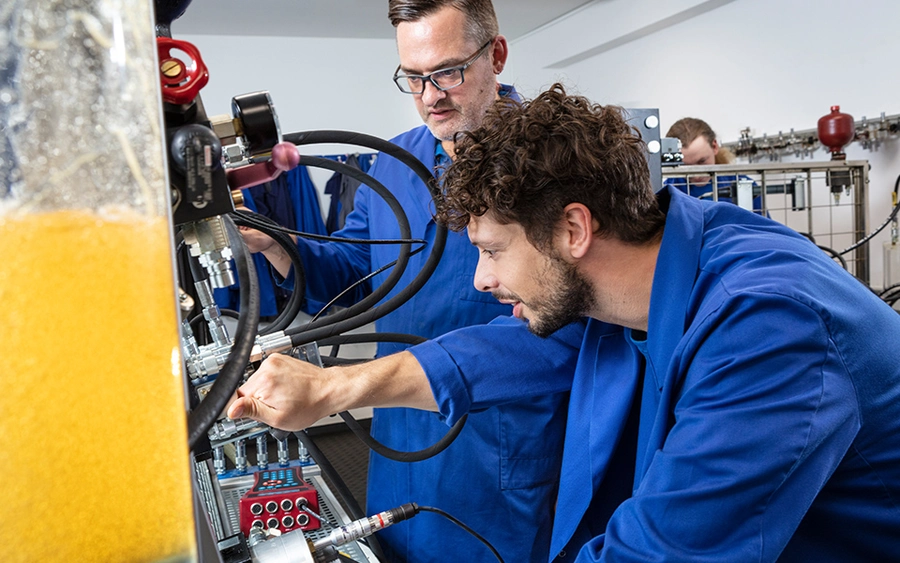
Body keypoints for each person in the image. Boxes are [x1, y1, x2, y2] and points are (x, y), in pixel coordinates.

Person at [229, 84, 900, 561]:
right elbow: (509, 355)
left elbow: (663, 552)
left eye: (492, 251)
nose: (481, 280)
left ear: (573, 228)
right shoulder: (653, 266)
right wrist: (332, 383)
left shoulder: (766, 327)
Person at [239, 2, 578, 561]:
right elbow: (359, 275)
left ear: (496, 54)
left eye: (448, 72)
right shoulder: (395, 163)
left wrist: (340, 388)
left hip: (502, 440)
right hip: (399, 433)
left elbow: (575, 324)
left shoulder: (558, 158)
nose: (430, 97)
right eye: (413, 78)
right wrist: (275, 240)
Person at [665, 117, 763, 212]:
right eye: (685, 166)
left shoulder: (744, 185)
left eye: (702, 161)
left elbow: (764, 227)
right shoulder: (667, 191)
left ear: (715, 147)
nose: (697, 176)